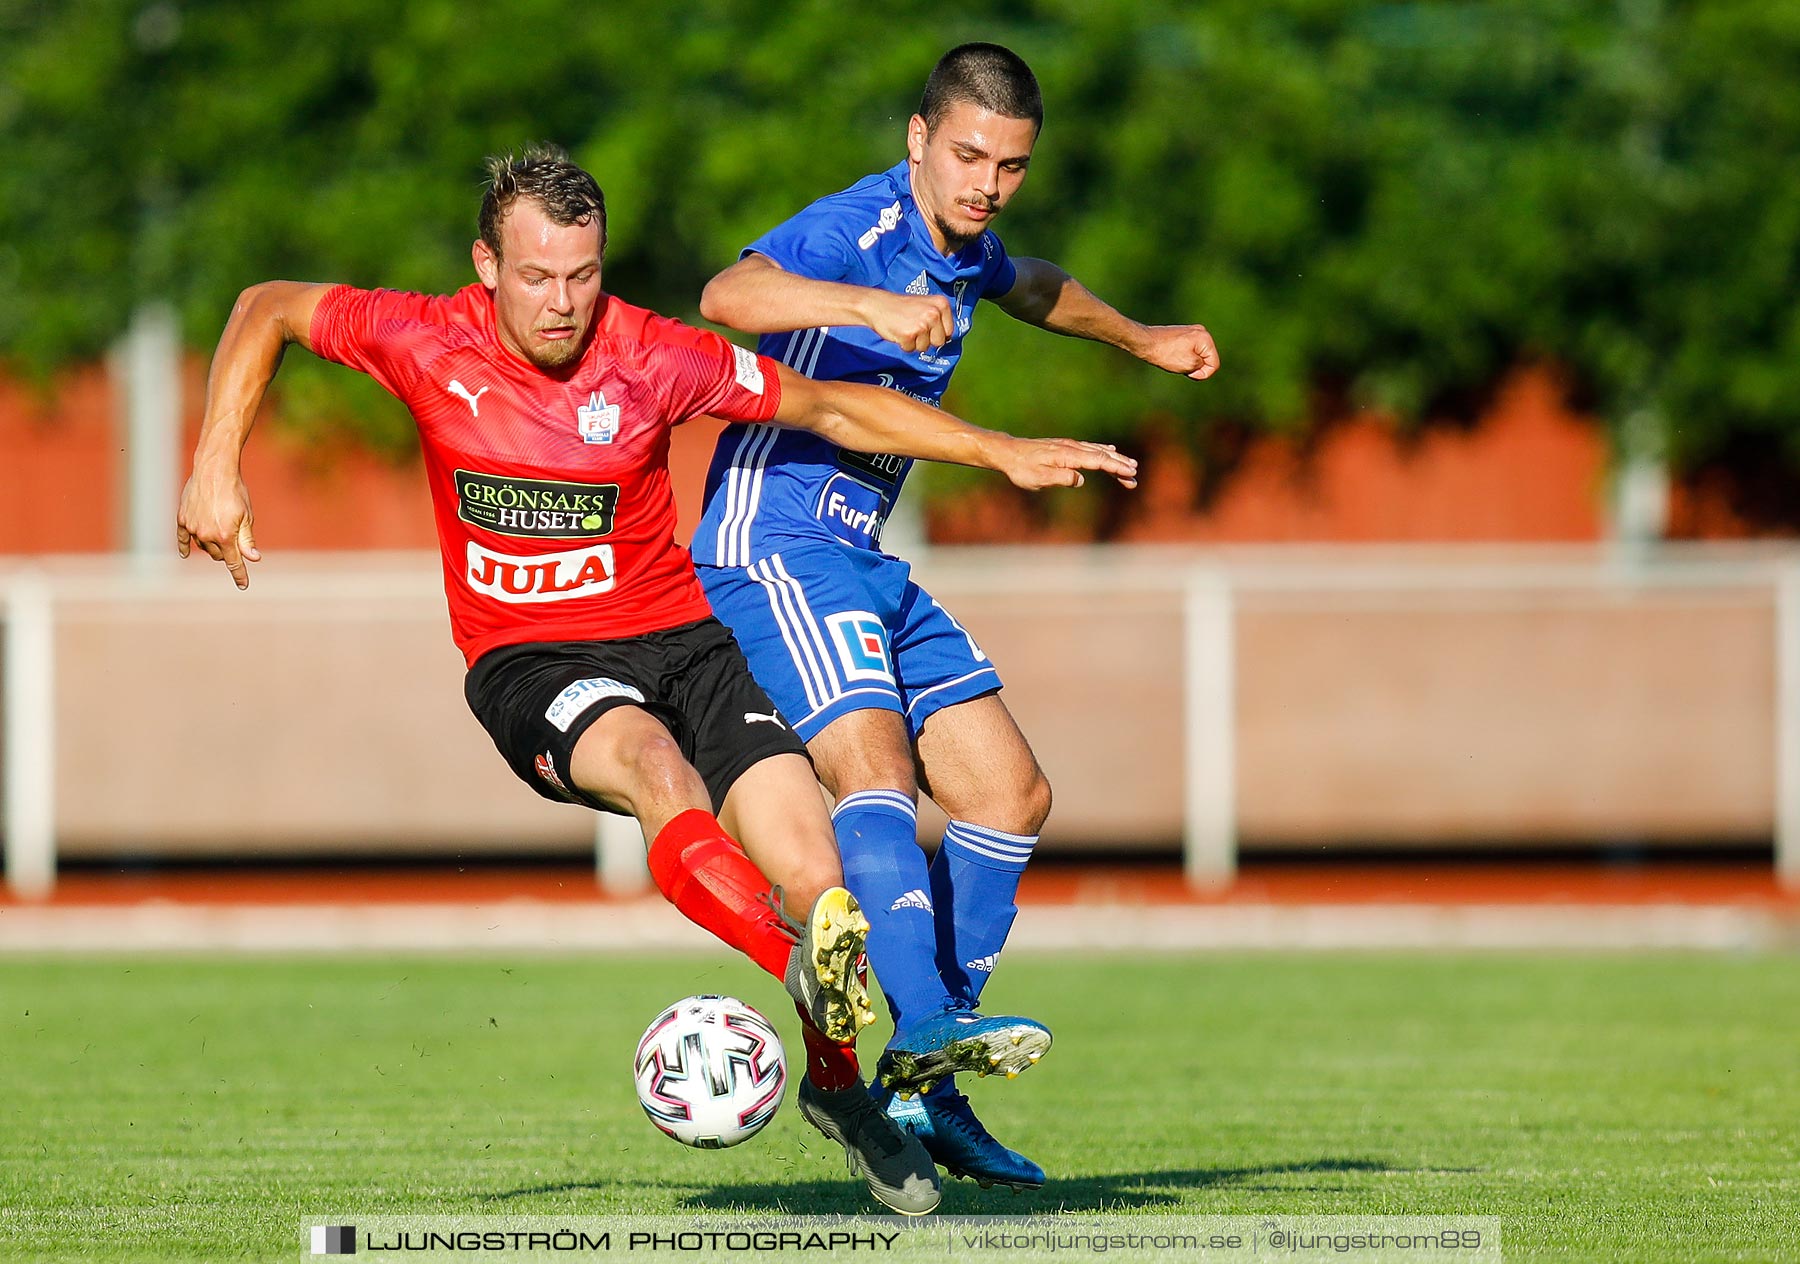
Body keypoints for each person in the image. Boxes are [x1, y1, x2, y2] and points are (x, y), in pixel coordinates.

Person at [175, 147, 1137, 1216]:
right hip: (531, 661)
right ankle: (802, 969)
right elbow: (265, 305)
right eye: (537, 276)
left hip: (684, 640)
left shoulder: (654, 355)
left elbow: (828, 409)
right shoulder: (419, 336)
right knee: (653, 766)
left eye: (583, 275)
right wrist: (217, 461)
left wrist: (997, 449)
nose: (563, 302)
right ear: (484, 265)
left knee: (814, 867)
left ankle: (837, 1088)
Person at [692, 44, 1219, 1192]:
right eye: (968, 154)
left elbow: (1026, 282)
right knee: (877, 773)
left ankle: (923, 1093)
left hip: (862, 555)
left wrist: (1144, 338)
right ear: (919, 136)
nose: (986, 183)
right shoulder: (859, 228)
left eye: (1011, 165)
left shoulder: (967, 244)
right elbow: (727, 298)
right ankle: (925, 1034)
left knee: (1009, 793)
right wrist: (867, 303)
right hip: (775, 545)